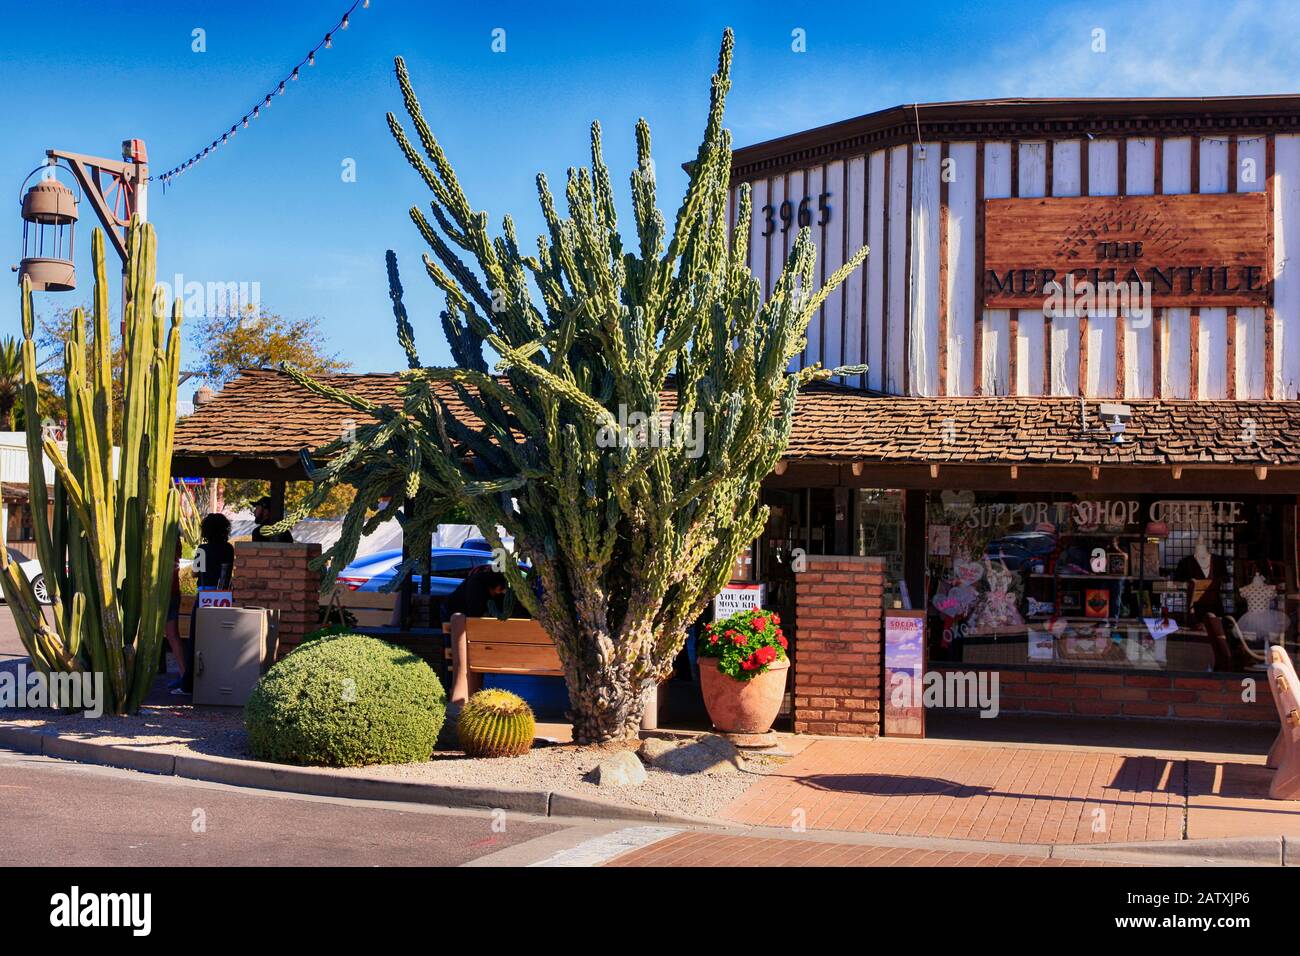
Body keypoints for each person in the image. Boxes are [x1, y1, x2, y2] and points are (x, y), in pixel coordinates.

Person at [176, 513, 236, 696]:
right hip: (223, 596)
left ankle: (188, 685)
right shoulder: (228, 549)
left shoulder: (203, 549)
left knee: (196, 639)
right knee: (220, 640)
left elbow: (195, 573)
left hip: (204, 595)